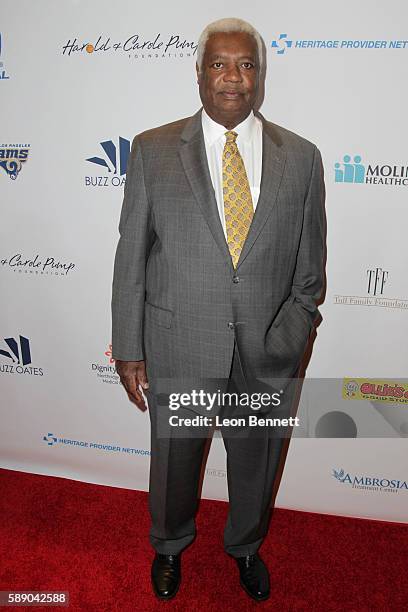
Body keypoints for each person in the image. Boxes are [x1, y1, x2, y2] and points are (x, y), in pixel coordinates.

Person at [111, 17, 325, 602]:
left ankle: (246, 546)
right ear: (199, 73)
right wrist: (129, 347)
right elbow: (132, 255)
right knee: (175, 463)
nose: (233, 78)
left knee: (256, 465)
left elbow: (311, 269)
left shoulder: (302, 157)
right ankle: (170, 544)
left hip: (268, 350)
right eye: (219, 64)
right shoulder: (153, 150)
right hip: (180, 344)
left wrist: (294, 331)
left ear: (261, 75)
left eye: (246, 64)